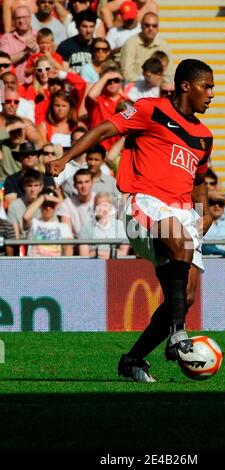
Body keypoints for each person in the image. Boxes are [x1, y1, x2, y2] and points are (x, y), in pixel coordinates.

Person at [46, 58, 215, 383]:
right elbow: (104, 129)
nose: (211, 94)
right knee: (178, 244)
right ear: (185, 86)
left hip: (182, 213)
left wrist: (203, 212)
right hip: (146, 202)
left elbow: (199, 181)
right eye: (206, 87)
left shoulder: (204, 138)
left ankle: (133, 359)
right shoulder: (150, 110)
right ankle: (178, 335)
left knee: (187, 297)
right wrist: (65, 159)